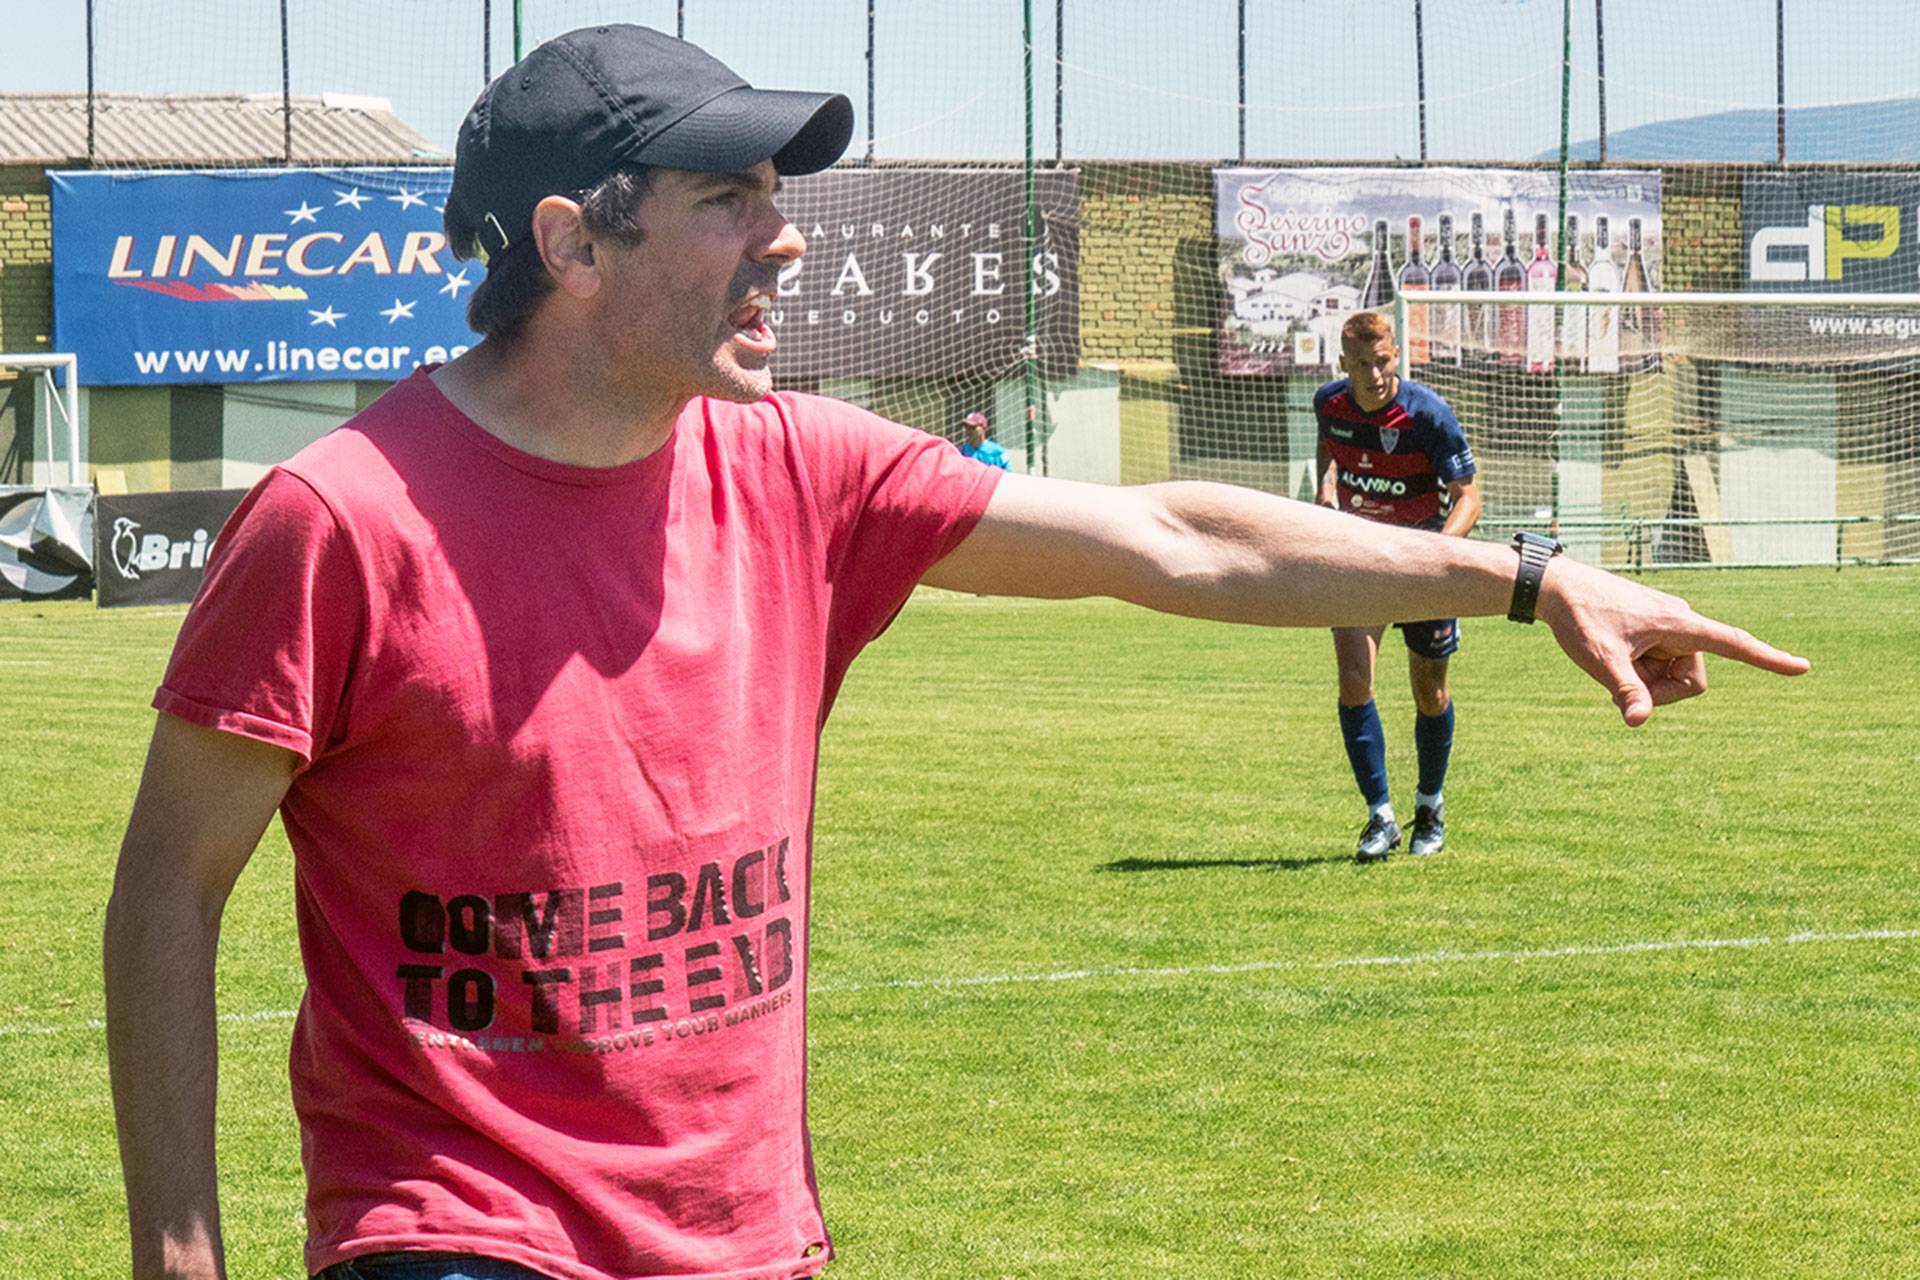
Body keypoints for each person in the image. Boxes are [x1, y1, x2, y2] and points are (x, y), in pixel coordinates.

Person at [102, 25, 1808, 1280]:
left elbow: (1180, 537)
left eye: (779, 190)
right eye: (728, 197)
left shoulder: (805, 467)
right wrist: (182, 1264)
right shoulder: (342, 520)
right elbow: (169, 889)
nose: (785, 233)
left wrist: (1529, 578)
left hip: (746, 1237)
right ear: (570, 239)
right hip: (457, 1235)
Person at [1315, 309, 1480, 863]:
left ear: (1396, 356)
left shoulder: (1428, 415)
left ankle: (1429, 806)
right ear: (1345, 365)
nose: (1375, 373)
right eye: (1362, 364)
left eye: (1383, 361)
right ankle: (1379, 817)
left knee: (1429, 692)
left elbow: (1469, 497)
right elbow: (1331, 447)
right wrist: (1326, 484)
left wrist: (1437, 552)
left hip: (1422, 568)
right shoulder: (1328, 404)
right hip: (1358, 560)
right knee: (1353, 681)